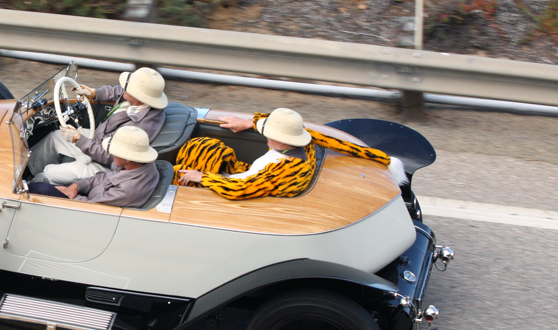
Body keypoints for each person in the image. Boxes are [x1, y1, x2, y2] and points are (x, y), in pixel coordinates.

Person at [174, 108, 406, 200]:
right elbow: (342, 145)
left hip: (243, 185)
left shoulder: (283, 169)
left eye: (268, 131)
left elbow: (241, 189)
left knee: (177, 174)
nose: (264, 134)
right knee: (203, 146)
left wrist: (201, 177)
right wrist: (384, 159)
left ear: (282, 139)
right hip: (249, 175)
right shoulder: (303, 140)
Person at [27, 67, 167, 184]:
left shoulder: (138, 128)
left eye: (128, 87)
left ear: (138, 96)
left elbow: (114, 157)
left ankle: (30, 186)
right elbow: (118, 91)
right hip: (98, 139)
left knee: (50, 173)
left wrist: (78, 139)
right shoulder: (140, 100)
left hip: (105, 164)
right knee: (54, 137)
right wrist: (94, 93)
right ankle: (27, 170)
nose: (123, 88)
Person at [28, 126, 160, 208]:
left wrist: (72, 193)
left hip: (88, 205)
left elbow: (94, 206)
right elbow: (106, 176)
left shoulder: (128, 190)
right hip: (93, 195)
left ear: (127, 158)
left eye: (115, 151)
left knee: (40, 188)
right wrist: (77, 186)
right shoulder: (139, 165)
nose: (111, 154)